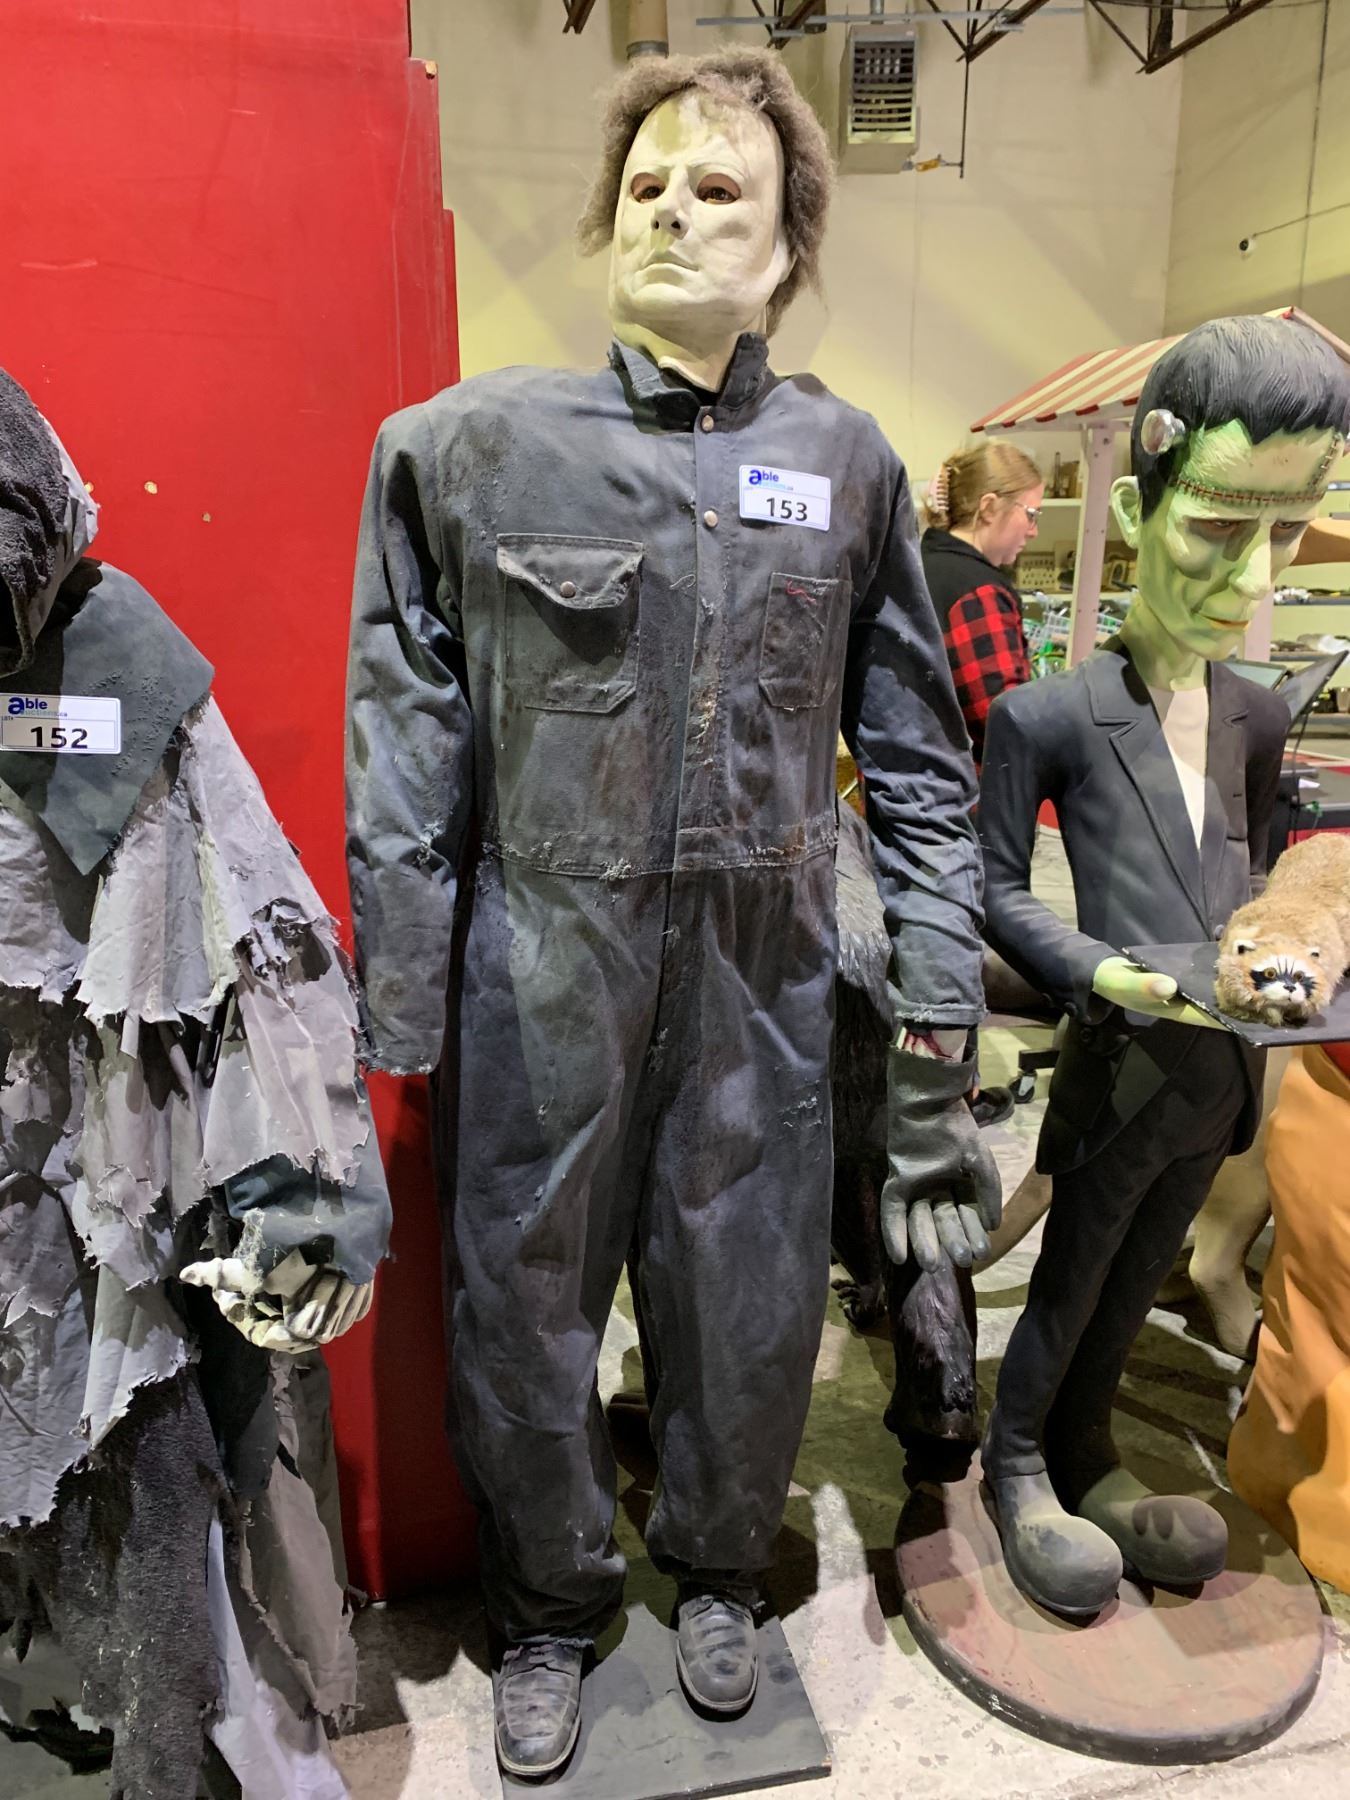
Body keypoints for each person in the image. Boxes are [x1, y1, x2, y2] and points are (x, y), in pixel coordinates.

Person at [345, 47, 999, 1778]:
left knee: (751, 1281)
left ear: (786, 244)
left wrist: (939, 985)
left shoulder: (846, 464)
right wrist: (399, 1000)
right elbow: (402, 741)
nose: (672, 212)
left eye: (718, 189)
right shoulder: (468, 452)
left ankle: (718, 1568)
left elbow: (917, 751)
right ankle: (551, 1602)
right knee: (522, 1293)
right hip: (540, 957)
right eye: (645, 184)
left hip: (765, 960)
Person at [0, 367, 391, 1800]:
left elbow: (256, 940)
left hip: (110, 1184)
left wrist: (306, 1203)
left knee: (146, 1479)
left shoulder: (117, 668)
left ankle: (169, 1758)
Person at [976, 314, 1350, 1617]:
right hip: (1119, 1066)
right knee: (1073, 1274)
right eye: (1217, 528)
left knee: (1137, 1281)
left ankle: (1087, 1449)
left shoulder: (1258, 713)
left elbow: (1265, 880)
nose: (1251, 574)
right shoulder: (1048, 716)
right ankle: (1017, 1458)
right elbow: (991, 894)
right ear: (1138, 509)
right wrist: (1107, 976)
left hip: (1220, 1082)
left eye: (1282, 533)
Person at [923, 441, 1043, 767]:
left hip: (911, 782)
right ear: (988, 507)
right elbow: (1001, 719)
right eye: (1030, 515)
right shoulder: (978, 592)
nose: (1034, 531)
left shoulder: (923, 563)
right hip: (961, 788)